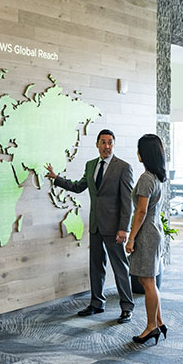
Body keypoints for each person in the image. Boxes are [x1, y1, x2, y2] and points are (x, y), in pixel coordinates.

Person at [45, 129, 135, 324]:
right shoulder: (91, 165)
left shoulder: (123, 168)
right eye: (103, 142)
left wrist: (124, 228)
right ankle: (96, 303)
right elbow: (78, 187)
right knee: (95, 266)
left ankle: (127, 308)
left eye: (110, 142)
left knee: (120, 267)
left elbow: (127, 202)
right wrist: (56, 178)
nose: (107, 146)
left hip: (114, 228)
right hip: (95, 225)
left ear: (114, 145)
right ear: (97, 145)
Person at [125, 134, 168, 345]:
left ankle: (151, 326)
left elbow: (140, 212)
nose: (137, 153)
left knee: (148, 282)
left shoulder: (146, 179)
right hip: (154, 231)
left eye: (139, 149)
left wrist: (131, 238)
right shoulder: (157, 176)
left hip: (147, 233)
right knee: (147, 280)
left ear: (145, 153)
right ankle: (158, 321)